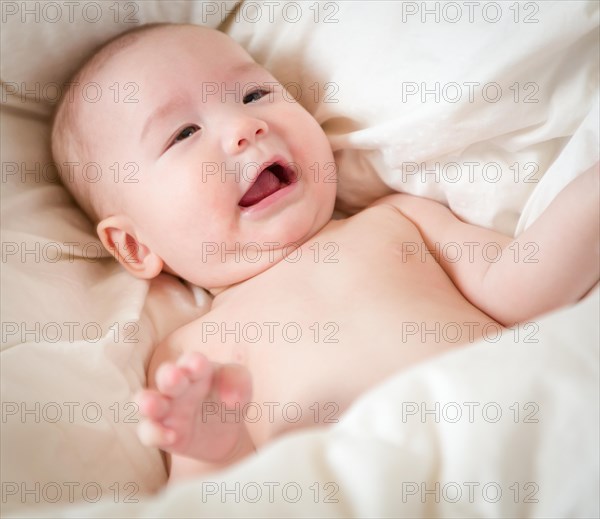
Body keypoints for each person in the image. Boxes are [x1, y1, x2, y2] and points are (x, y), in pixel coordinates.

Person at [51, 23, 599, 483]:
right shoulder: (190, 355)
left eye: (254, 95)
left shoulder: (396, 218)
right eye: (183, 132)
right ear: (133, 244)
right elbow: (222, 500)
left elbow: (525, 289)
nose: (245, 126)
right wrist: (210, 447)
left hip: (522, 434)